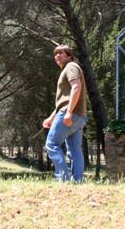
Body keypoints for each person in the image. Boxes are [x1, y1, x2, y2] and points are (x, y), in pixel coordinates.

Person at [43, 44, 88, 182]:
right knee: (75, 150)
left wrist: (69, 112)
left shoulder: (71, 67)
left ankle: (62, 179)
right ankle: (77, 181)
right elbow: (64, 100)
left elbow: (76, 87)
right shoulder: (70, 68)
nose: (57, 56)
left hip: (70, 114)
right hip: (79, 116)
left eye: (61, 53)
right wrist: (51, 118)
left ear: (69, 55)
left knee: (52, 144)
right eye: (55, 54)